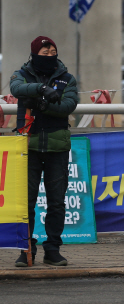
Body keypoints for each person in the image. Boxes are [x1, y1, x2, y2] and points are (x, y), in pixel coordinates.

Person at [10, 36, 79, 267]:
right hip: (26, 147)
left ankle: (53, 249)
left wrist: (41, 104)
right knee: (26, 203)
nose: (49, 55)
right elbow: (16, 89)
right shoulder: (21, 74)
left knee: (57, 202)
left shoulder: (67, 78)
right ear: (34, 53)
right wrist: (43, 89)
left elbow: (68, 106)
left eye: (52, 52)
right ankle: (25, 249)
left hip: (57, 147)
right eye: (44, 52)